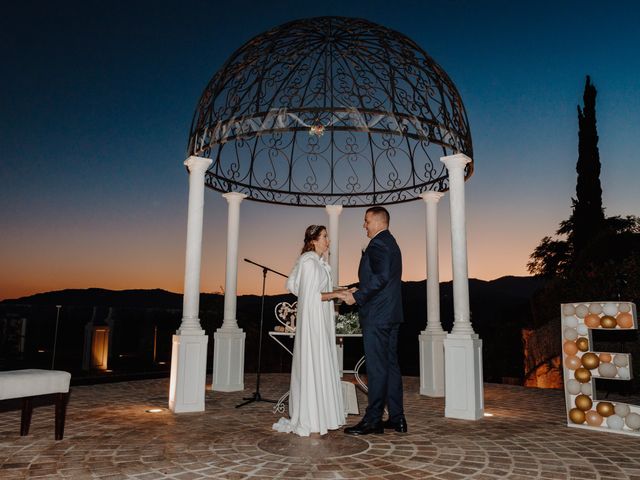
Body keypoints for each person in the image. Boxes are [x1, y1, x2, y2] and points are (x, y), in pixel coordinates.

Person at [272, 225, 346, 436]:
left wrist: (342, 290)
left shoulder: (317, 263)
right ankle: (312, 417)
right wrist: (335, 296)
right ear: (313, 240)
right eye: (324, 237)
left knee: (321, 360)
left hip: (320, 320)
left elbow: (319, 291)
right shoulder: (309, 263)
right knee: (314, 360)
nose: (327, 241)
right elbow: (311, 296)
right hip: (313, 323)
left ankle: (322, 413)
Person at [341, 206, 407, 435]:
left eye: (366, 221)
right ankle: (397, 418)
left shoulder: (378, 244)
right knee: (390, 366)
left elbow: (380, 277)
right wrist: (358, 287)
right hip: (390, 314)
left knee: (377, 368)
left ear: (378, 222)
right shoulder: (391, 242)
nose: (364, 225)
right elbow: (383, 278)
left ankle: (373, 420)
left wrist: (356, 296)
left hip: (378, 316)